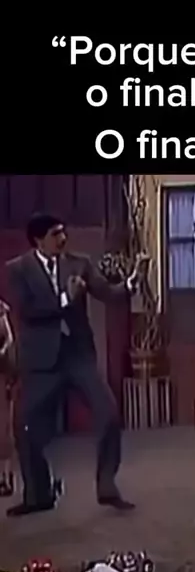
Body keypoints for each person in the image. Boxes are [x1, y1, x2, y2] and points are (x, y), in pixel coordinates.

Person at [5, 213, 149, 517]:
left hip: (77, 356)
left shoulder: (79, 263)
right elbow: (27, 311)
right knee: (24, 427)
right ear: (38, 240)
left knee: (109, 413)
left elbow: (107, 292)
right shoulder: (18, 270)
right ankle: (38, 494)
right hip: (42, 362)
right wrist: (64, 299)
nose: (63, 238)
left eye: (63, 232)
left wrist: (132, 281)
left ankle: (106, 485)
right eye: (56, 234)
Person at [0, 300, 16, 496]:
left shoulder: (1, 310)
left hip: (1, 373)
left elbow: (9, 339)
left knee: (3, 427)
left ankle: (6, 477)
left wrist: (2, 351)